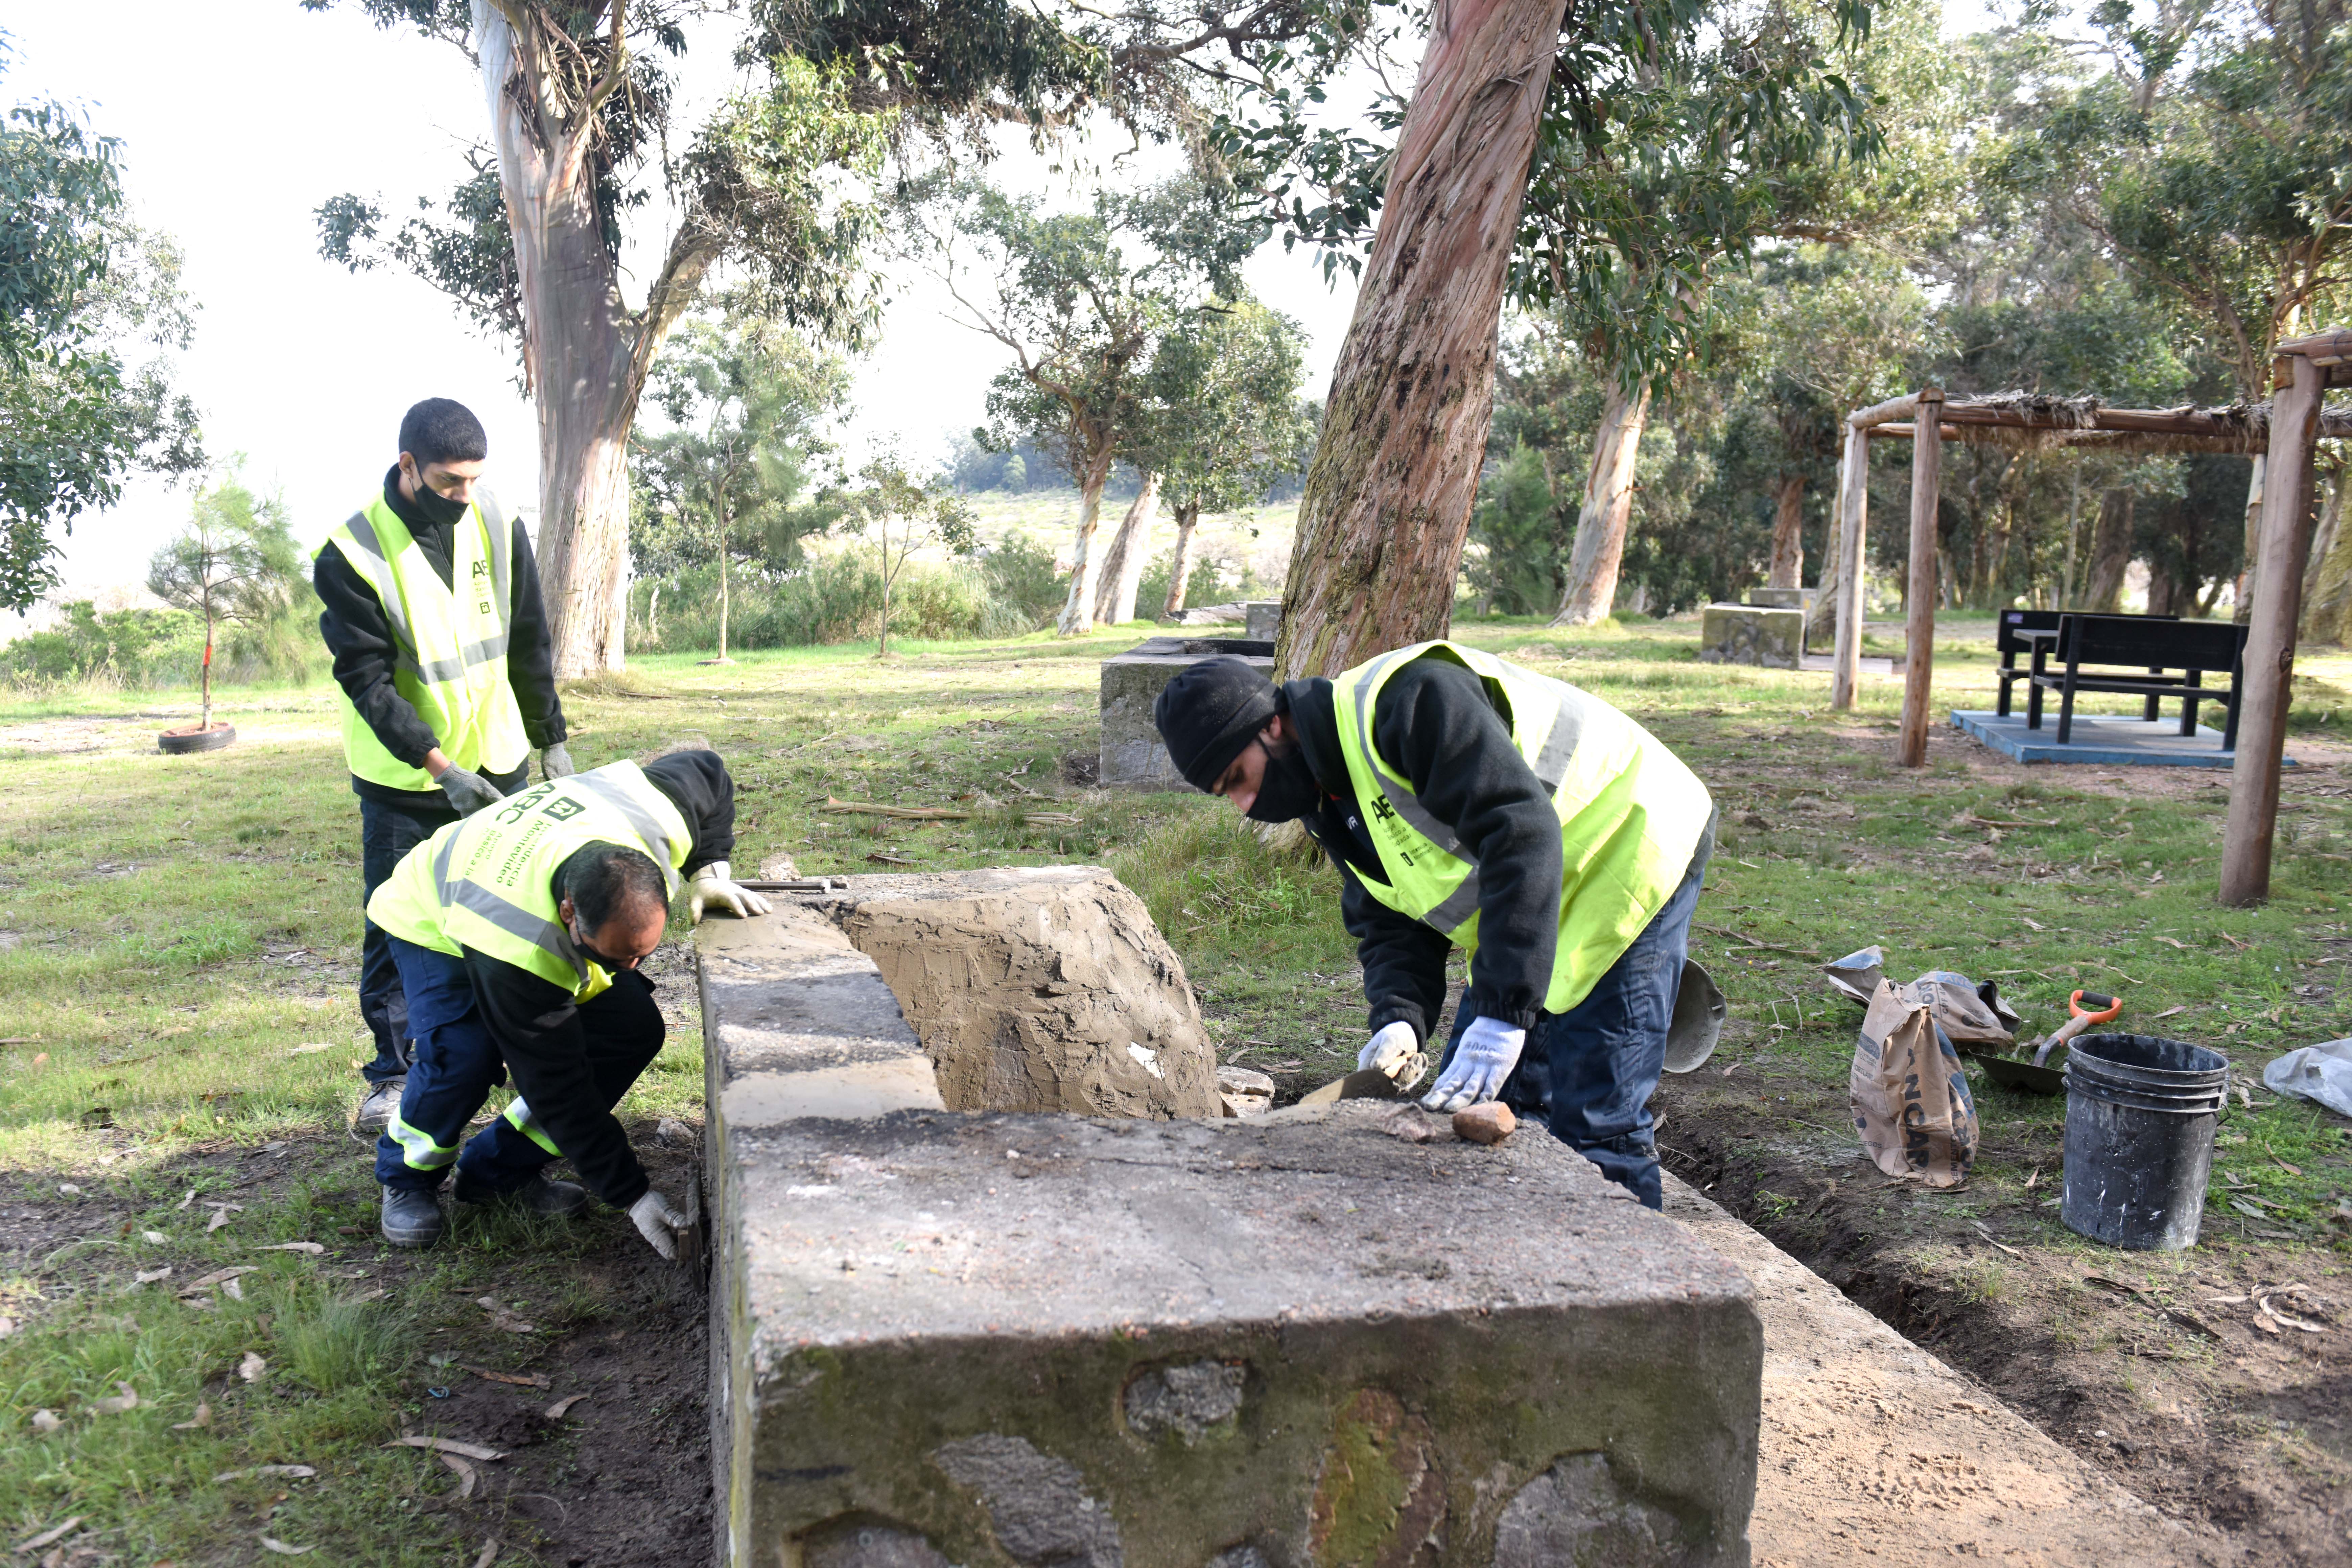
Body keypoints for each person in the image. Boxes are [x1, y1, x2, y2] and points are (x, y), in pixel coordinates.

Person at [1153, 641, 1714, 1208]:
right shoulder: (1324, 794)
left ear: (1272, 726)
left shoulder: (1409, 702)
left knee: (1597, 1124)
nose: (1247, 804)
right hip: (1536, 889)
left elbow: (1519, 832)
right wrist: (1400, 1017)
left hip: (1629, 842)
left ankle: (1634, 1288)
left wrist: (1503, 1009)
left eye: (1239, 777)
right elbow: (1389, 906)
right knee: (1471, 1115)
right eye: (1229, 795)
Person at [362, 749, 774, 1250]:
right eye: (618, 957)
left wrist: (711, 872)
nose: (632, 968)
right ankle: (407, 1177)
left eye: (640, 954)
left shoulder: (655, 812)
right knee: (464, 1054)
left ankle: (498, 1170)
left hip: (516, 877)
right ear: (569, 913)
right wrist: (633, 1194)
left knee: (631, 1026)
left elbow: (709, 769)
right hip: (432, 912)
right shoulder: (515, 943)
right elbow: (557, 1081)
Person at [315, 398, 571, 1137]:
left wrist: (549, 736)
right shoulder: (352, 554)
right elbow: (367, 680)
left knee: (508, 913)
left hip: (498, 764)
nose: (464, 495)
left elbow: (528, 637)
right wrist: (436, 765)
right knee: (400, 924)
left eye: (472, 480)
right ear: (408, 468)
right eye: (449, 482)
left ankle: (514, 1059)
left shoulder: (494, 519)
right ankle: (392, 1075)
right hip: (408, 781)